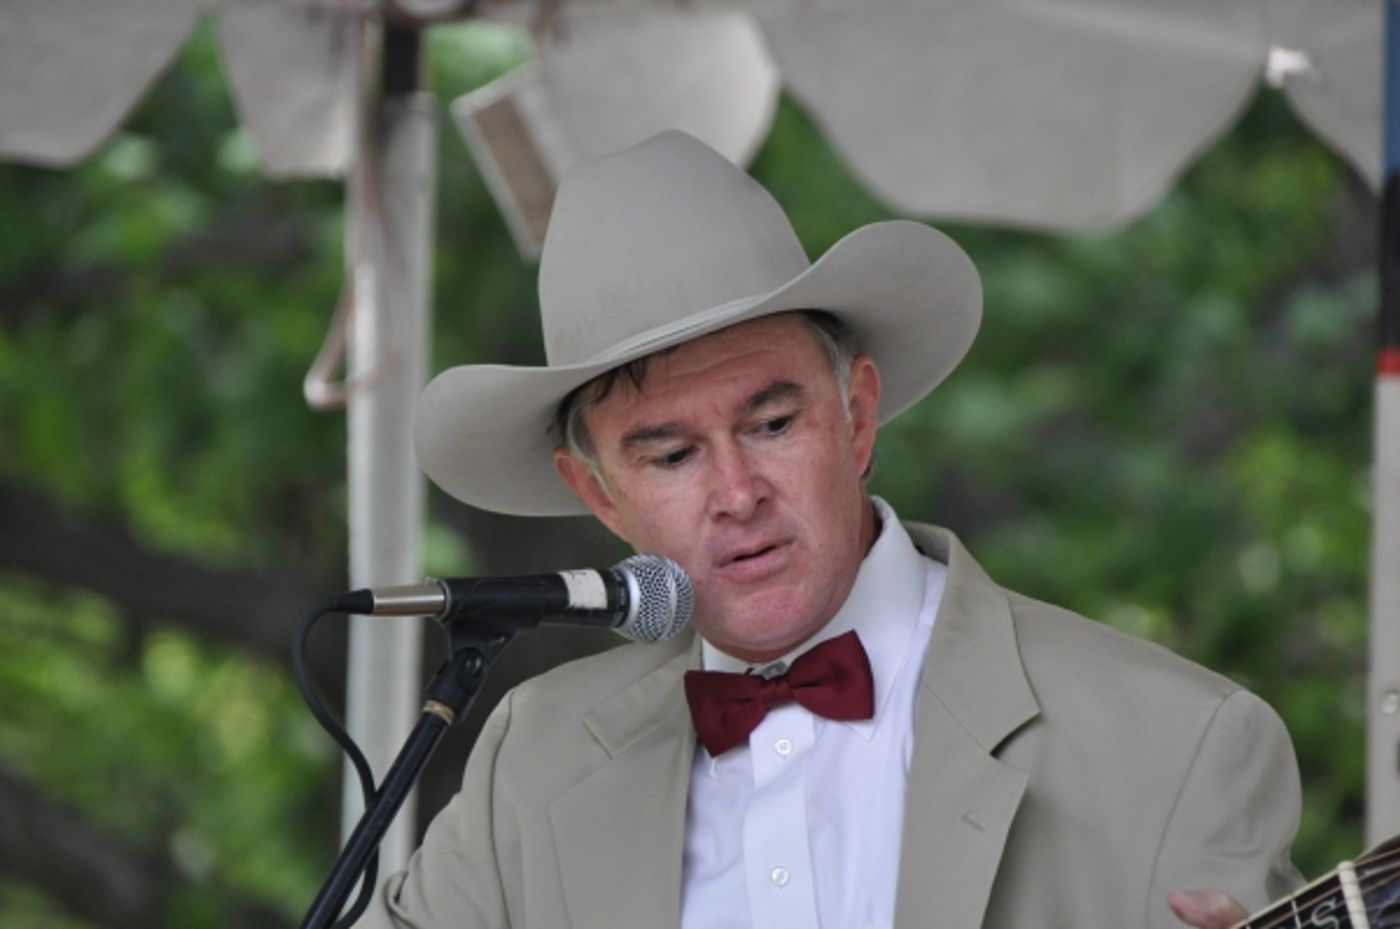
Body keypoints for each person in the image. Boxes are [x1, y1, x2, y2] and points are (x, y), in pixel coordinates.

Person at [360, 130, 1301, 929]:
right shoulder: (533, 759)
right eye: (671, 456)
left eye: (772, 425)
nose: (736, 492)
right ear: (599, 494)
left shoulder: (1180, 743)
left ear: (857, 413)